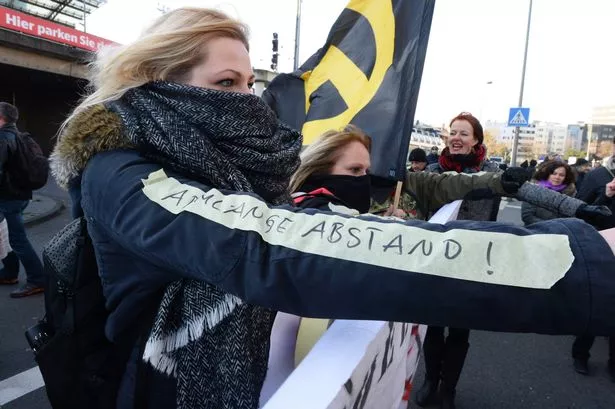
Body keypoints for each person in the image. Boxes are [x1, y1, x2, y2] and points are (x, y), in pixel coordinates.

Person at [50, 8, 615, 409]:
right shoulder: (119, 173)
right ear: (159, 81)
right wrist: (576, 266)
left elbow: (315, 226)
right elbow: (267, 246)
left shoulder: (235, 167)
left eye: (249, 84)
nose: (247, 102)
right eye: (226, 82)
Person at [418, 112, 503, 409]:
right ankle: (430, 380)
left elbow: (492, 219)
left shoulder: (492, 172)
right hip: (434, 260)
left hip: (471, 261)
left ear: (476, 140)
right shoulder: (431, 169)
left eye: (464, 133)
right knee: (432, 325)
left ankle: (448, 389)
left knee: (459, 328)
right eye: (453, 132)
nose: (456, 137)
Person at [0, 102, 45, 298]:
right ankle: (9, 273)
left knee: (17, 239)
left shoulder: (3, 138)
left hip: (9, 197)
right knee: (5, 234)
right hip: (20, 195)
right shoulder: (20, 136)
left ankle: (37, 279)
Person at [521, 161, 576, 225]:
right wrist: (550, 226)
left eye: (561, 175)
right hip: (534, 231)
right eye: (554, 173)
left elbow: (569, 217)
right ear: (547, 174)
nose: (557, 177)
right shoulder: (533, 189)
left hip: (560, 232)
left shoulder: (569, 193)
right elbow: (527, 216)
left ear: (566, 177)